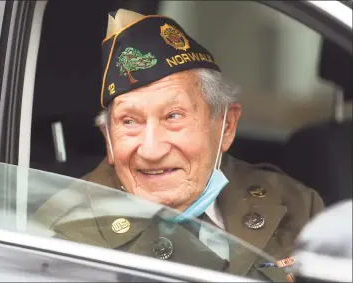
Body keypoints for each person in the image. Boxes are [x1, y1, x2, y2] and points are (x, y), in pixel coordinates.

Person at [30, 9, 324, 281]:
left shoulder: (293, 203)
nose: (151, 150)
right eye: (129, 122)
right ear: (108, 138)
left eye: (173, 116)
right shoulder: (64, 235)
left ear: (226, 126)